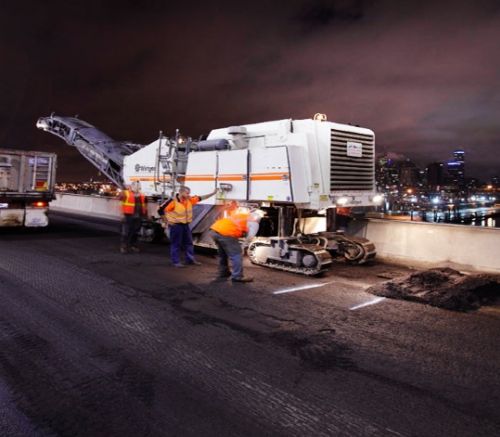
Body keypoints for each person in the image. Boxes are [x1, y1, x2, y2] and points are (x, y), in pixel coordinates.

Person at [161, 185, 217, 267]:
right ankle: (176, 262)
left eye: (189, 193)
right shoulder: (172, 201)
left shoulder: (189, 200)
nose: (188, 195)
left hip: (185, 225)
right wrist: (166, 222)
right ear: (181, 192)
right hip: (176, 226)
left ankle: (190, 260)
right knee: (176, 244)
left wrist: (213, 193)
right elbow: (160, 210)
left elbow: (201, 198)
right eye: (187, 193)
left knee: (189, 243)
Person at [210, 206, 262, 283]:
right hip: (226, 233)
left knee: (223, 254)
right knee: (236, 254)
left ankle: (223, 272)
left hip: (214, 230)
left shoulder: (241, 215)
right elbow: (250, 236)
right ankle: (237, 276)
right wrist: (244, 246)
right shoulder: (254, 221)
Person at [120, 181, 147, 254]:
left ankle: (133, 245)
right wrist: (122, 214)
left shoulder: (142, 195)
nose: (138, 187)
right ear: (132, 186)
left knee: (135, 231)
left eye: (138, 186)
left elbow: (144, 204)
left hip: (138, 216)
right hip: (128, 215)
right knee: (126, 231)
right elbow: (121, 200)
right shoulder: (126, 193)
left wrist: (144, 215)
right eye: (136, 185)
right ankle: (124, 246)